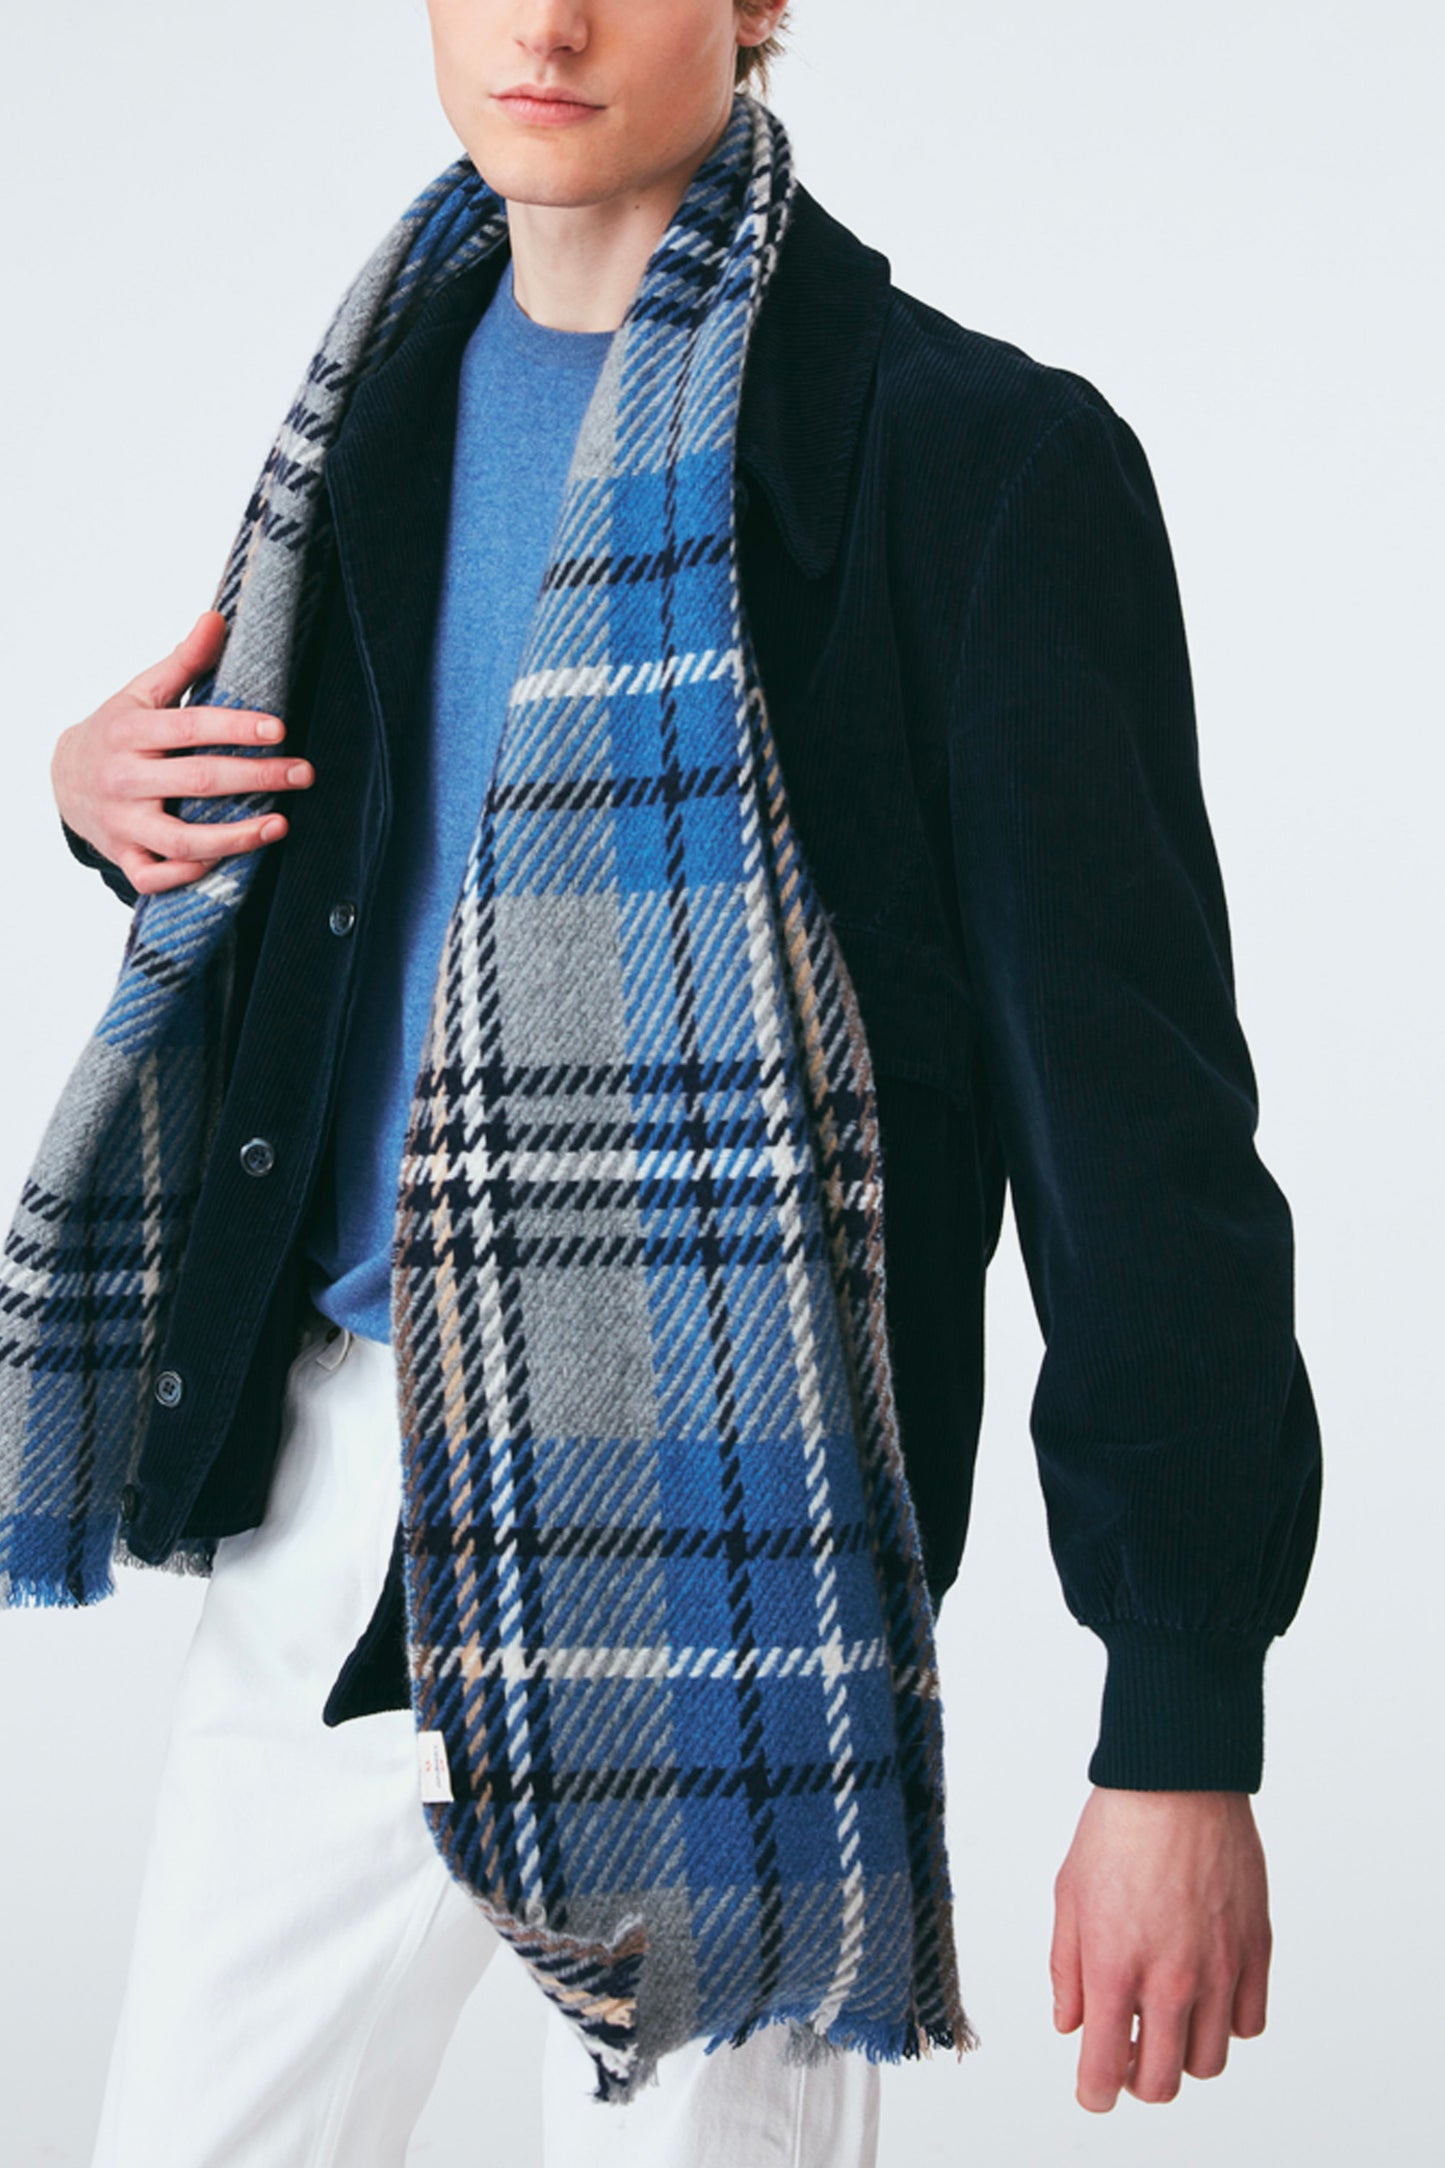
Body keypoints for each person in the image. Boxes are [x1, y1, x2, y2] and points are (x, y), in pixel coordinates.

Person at [22, 0, 1321, 2161]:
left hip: (731, 1535)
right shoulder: (380, 400)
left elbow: (1143, 1143)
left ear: (757, 5)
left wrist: (1179, 1721)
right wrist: (112, 806)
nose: (547, 23)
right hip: (333, 1493)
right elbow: (365, 907)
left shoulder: (967, 463)